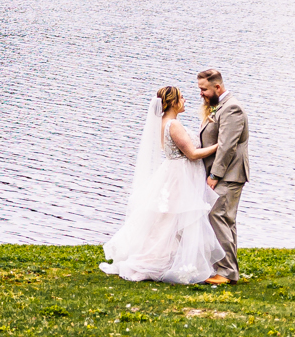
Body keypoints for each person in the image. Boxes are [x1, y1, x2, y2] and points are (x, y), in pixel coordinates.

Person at [99, 85, 222, 284]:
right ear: (173, 102)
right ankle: (164, 262)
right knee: (173, 222)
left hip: (174, 173)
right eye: (181, 98)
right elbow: (191, 154)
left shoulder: (166, 122)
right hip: (180, 177)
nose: (185, 101)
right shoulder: (173, 125)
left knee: (168, 222)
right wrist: (219, 146)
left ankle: (177, 259)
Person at [197, 68, 250, 285]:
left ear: (217, 87)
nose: (201, 93)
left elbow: (227, 146)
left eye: (204, 89)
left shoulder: (232, 108)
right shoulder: (219, 106)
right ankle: (229, 269)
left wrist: (214, 175)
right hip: (224, 174)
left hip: (228, 174)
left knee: (217, 217)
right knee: (225, 220)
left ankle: (227, 272)